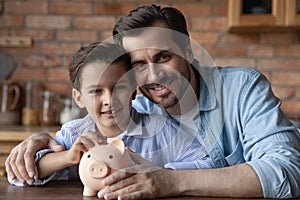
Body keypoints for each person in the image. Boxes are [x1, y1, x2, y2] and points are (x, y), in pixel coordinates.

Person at [6, 4, 300, 199]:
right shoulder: (138, 111)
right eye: (138, 65)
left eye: (163, 57)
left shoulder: (243, 87)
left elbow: (286, 173)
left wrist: (170, 180)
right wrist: (45, 142)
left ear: (188, 52)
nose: (153, 74)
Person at [7, 41, 214, 186]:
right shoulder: (73, 135)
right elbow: (20, 177)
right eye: (97, 91)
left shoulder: (161, 130)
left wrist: (160, 173)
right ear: (78, 98)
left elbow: (207, 163)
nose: (109, 100)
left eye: (120, 88)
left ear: (134, 90)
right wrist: (67, 158)